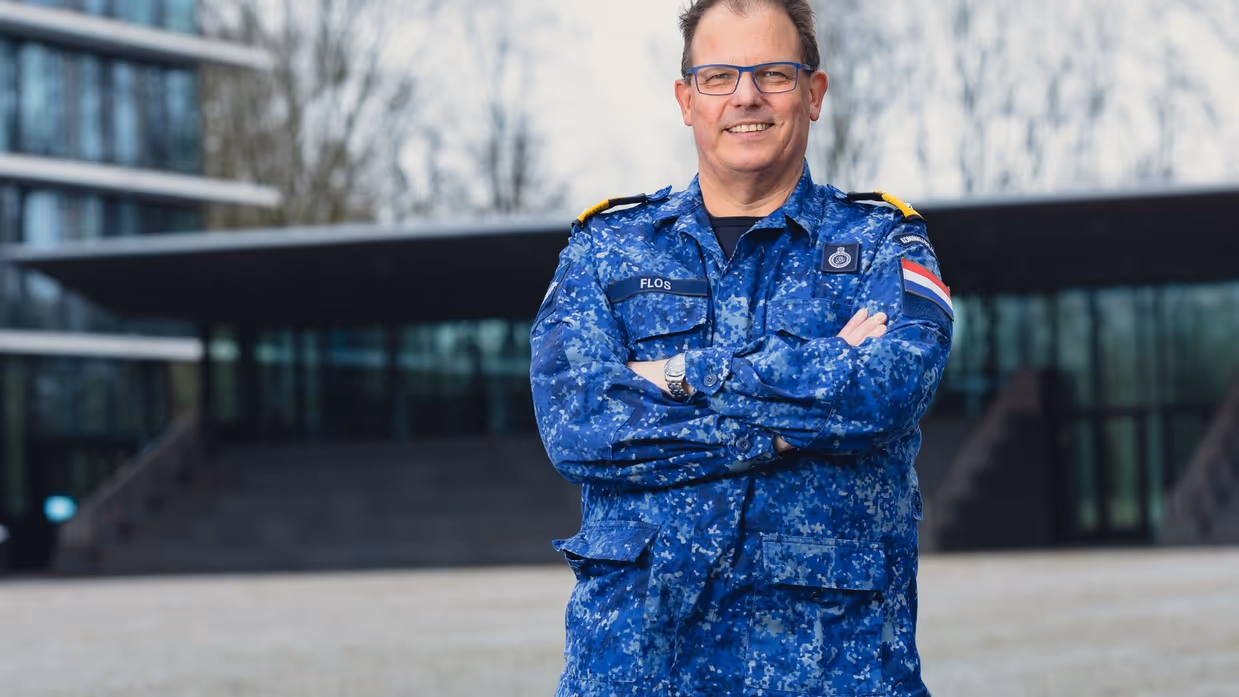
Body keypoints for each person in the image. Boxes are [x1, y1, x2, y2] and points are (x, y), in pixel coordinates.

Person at [529, 1, 952, 694]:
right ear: (685, 99)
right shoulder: (605, 250)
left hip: (827, 669)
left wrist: (677, 374)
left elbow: (887, 389)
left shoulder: (882, 243)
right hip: (639, 670)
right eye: (719, 76)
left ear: (813, 94)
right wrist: (784, 427)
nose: (746, 96)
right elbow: (577, 422)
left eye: (773, 74)